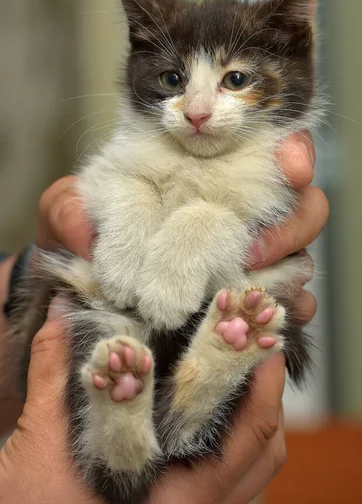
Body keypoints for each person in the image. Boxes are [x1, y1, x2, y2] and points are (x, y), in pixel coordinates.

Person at [0, 131, 328, 503]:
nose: (199, 113)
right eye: (173, 79)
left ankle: (189, 389)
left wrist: (25, 276)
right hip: (115, 323)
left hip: (149, 323)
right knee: (107, 348)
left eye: (236, 79)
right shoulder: (141, 148)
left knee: (114, 355)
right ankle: (142, 426)